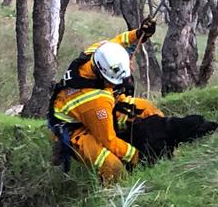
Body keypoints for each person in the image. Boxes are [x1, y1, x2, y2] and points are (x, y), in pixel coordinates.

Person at [48, 18, 160, 183]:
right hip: (75, 129)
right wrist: (139, 157)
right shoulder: (95, 102)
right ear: (101, 74)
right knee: (112, 166)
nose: (116, 84)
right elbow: (109, 140)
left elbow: (120, 41)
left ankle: (164, 142)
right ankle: (113, 196)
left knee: (147, 109)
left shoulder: (98, 52)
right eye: (113, 81)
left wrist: (139, 34)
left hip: (104, 105)